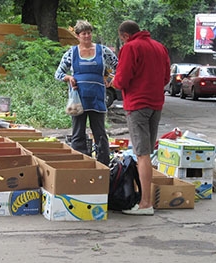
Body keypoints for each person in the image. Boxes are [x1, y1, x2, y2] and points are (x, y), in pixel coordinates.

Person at [113, 20, 170, 215]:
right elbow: (166, 78)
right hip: (156, 104)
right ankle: (146, 198)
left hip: (137, 105)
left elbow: (121, 80)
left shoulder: (130, 47)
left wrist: (112, 82)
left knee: (142, 154)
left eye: (121, 39)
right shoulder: (159, 47)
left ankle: (145, 203)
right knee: (147, 152)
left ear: (125, 35)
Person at [55, 20, 118, 166]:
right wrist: (69, 77)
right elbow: (58, 73)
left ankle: (103, 165)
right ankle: (80, 164)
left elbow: (118, 65)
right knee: (78, 133)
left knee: (100, 133)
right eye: (84, 34)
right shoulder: (72, 53)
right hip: (78, 99)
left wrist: (110, 78)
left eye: (89, 33)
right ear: (78, 36)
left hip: (97, 98)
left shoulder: (103, 51)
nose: (87, 36)